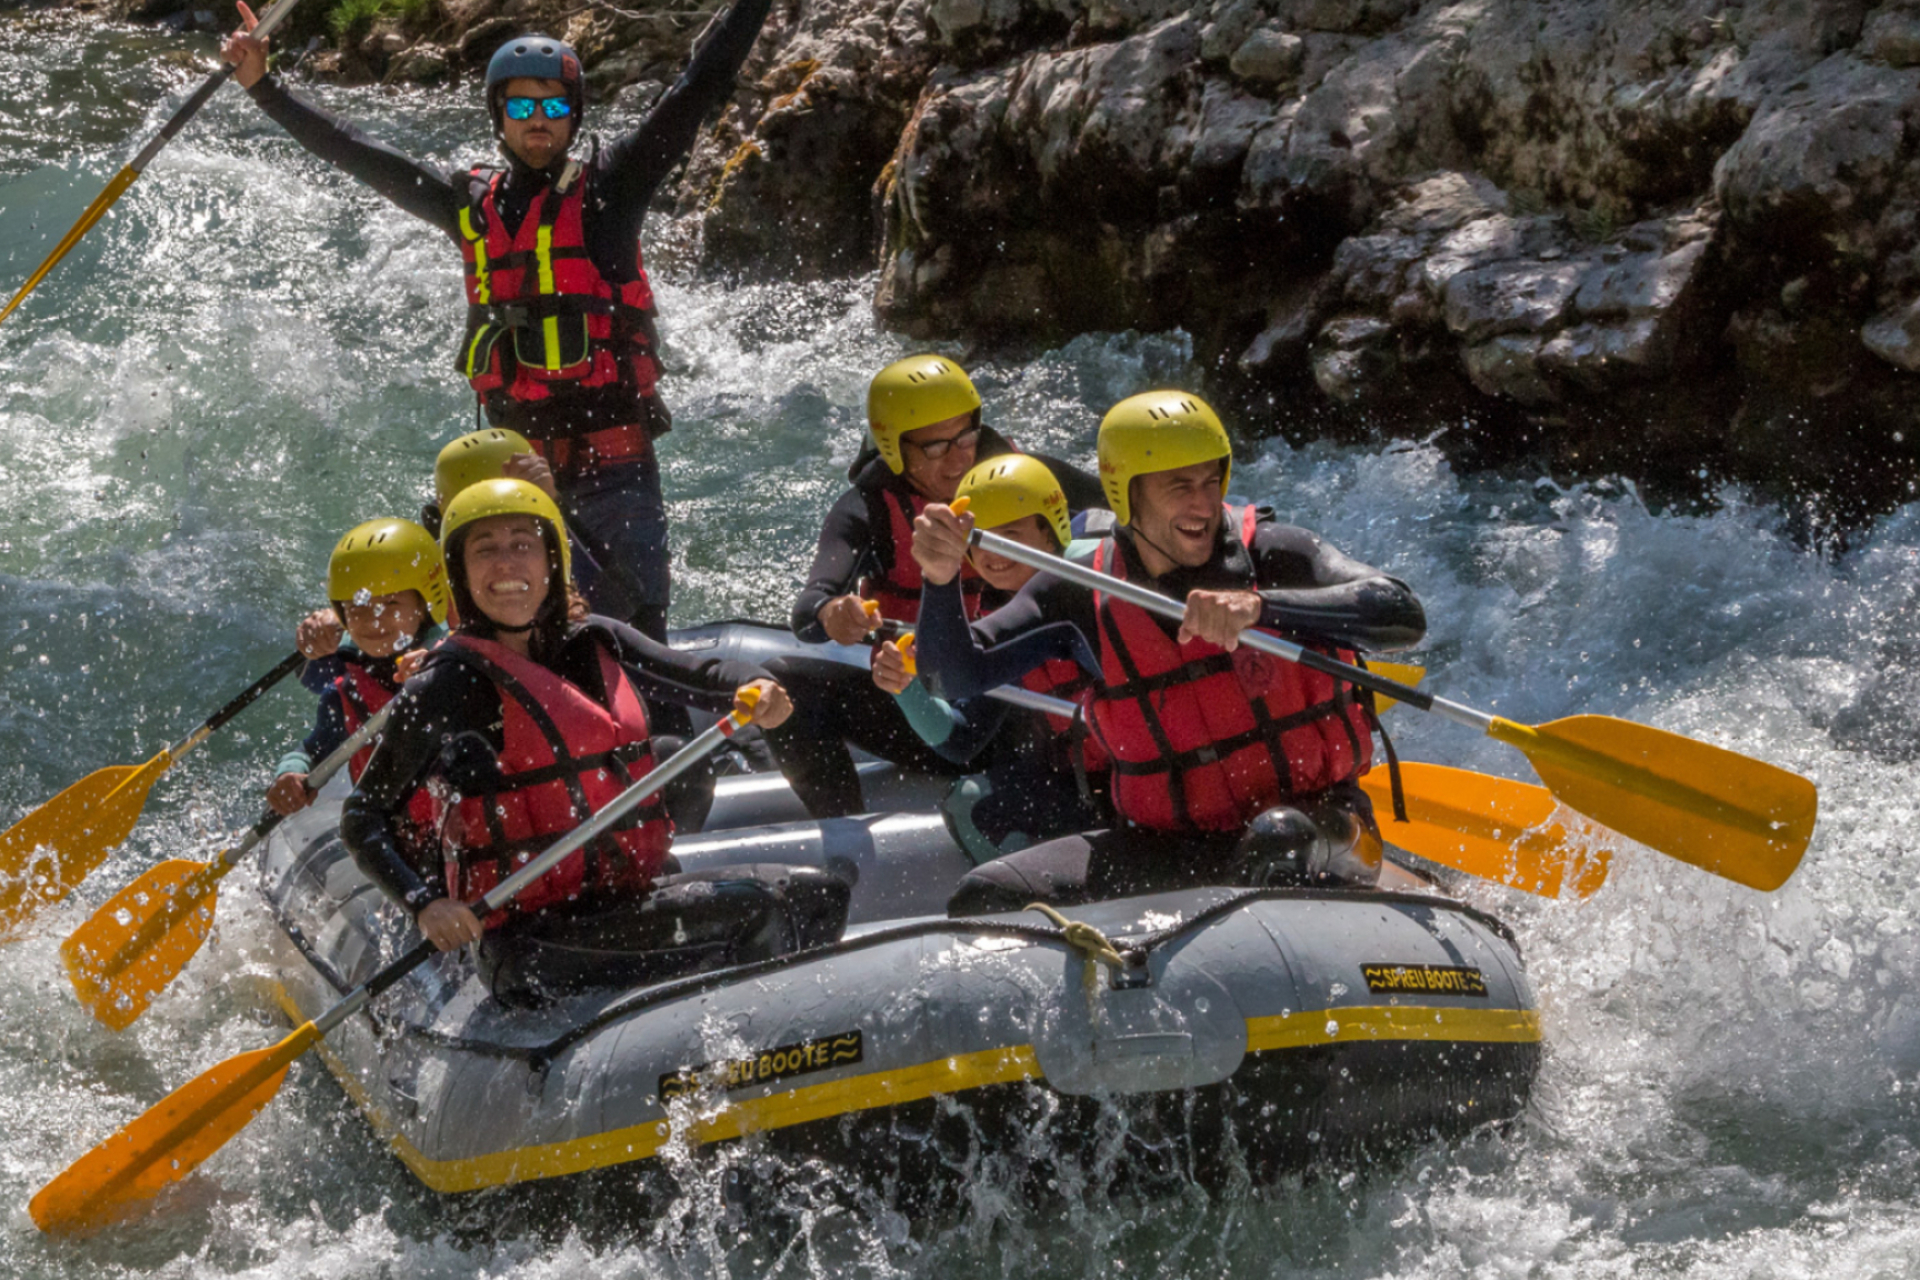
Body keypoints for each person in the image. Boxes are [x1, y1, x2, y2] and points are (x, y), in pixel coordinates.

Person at [223, 9, 777, 639]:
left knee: (636, 628)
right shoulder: (471, 206)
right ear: (498, 118)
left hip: (615, 465)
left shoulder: (613, 189)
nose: (538, 121)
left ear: (574, 115)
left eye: (553, 107)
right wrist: (263, 87)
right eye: (520, 109)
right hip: (515, 469)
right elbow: (361, 154)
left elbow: (696, 89)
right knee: (520, 634)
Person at [912, 391, 1428, 916]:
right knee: (988, 893)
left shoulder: (1275, 554)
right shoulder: (1078, 594)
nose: (1202, 504)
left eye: (1210, 480)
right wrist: (939, 577)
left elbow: (1402, 613)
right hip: (1172, 842)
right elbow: (950, 675)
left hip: (1318, 825)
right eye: (1179, 486)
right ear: (1125, 493)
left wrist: (1260, 607)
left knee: (1276, 841)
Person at [339, 479, 847, 1007]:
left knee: (818, 896)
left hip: (623, 901)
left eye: (523, 545)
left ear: (552, 560)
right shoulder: (447, 683)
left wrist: (753, 683)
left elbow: (705, 672)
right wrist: (425, 905)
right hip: (530, 940)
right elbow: (362, 816)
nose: (508, 565)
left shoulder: (595, 640)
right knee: (759, 912)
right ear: (460, 574)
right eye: (485, 550)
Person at [769, 354, 1106, 818]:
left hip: (1020, 694)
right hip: (923, 701)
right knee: (782, 680)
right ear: (893, 447)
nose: (959, 459)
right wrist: (832, 613)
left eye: (966, 436)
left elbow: (1133, 517)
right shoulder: (867, 508)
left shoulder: (1022, 477)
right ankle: (843, 831)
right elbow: (808, 614)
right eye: (935, 447)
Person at [867, 455, 1108, 862]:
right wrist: (906, 689)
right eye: (982, 540)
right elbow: (961, 739)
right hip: (1086, 780)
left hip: (1140, 771)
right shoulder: (997, 625)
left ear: (1052, 534)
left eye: (1011, 534)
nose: (994, 554)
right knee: (971, 803)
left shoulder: (1102, 580)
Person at [268, 518, 448, 818]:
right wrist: (291, 773)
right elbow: (313, 749)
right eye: (357, 607)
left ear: (425, 605)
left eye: (390, 604)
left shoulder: (457, 656)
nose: (371, 620)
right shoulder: (349, 686)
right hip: (392, 831)